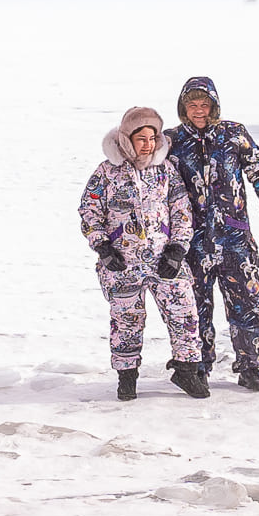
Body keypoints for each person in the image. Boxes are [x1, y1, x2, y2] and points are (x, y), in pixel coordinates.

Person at [164, 75, 259, 391]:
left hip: (235, 239)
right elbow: (152, 185)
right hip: (192, 242)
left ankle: (251, 366)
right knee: (195, 308)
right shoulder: (170, 141)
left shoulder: (233, 134)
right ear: (183, 107)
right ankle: (197, 368)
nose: (199, 111)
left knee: (247, 303)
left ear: (214, 106)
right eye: (192, 105)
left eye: (204, 105)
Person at [80, 106, 204, 399]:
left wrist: (177, 249)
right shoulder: (106, 172)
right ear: (127, 139)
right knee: (127, 321)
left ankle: (186, 370)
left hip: (164, 261)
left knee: (184, 312)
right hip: (123, 263)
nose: (148, 144)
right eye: (141, 138)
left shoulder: (166, 170)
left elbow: (181, 209)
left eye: (152, 137)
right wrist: (102, 246)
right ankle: (127, 377)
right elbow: (89, 210)